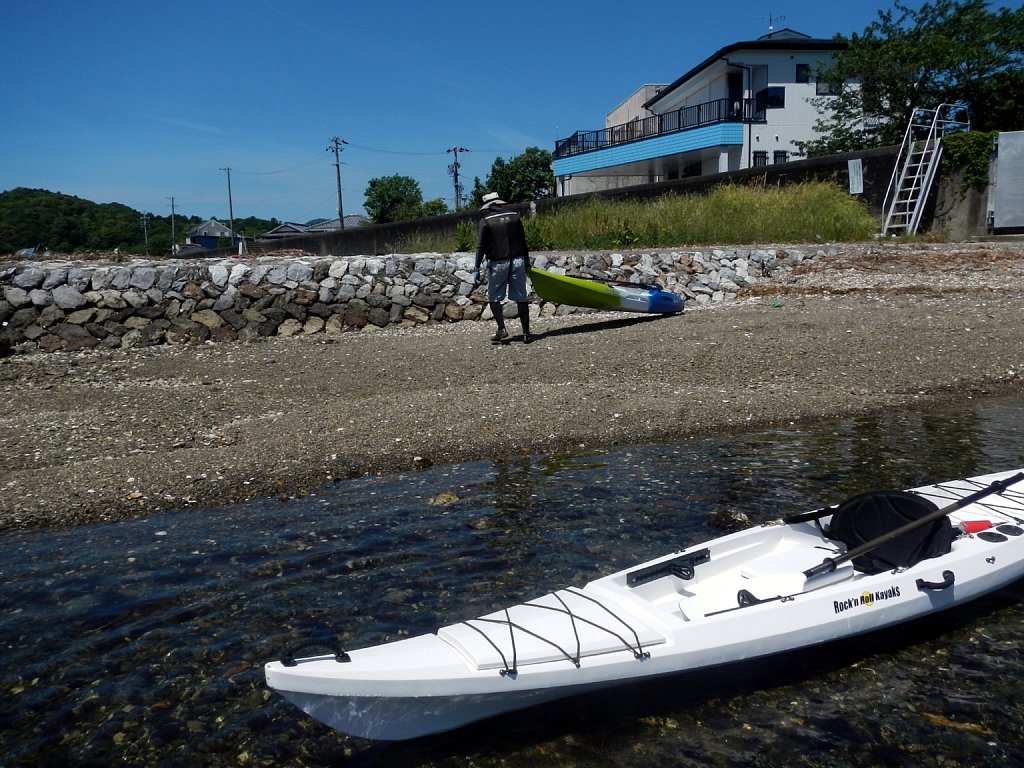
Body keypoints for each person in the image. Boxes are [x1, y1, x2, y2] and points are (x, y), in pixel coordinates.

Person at [473, 192, 533, 344]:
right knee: (521, 297)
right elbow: (523, 241)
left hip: (498, 263)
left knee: (494, 297)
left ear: (488, 207)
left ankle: (502, 329)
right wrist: (526, 261)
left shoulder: (486, 221)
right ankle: (526, 333)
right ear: (500, 203)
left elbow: (481, 246)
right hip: (518, 260)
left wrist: (476, 267)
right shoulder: (515, 216)